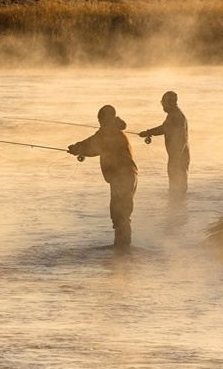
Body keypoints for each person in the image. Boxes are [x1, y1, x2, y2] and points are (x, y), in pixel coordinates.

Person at [68, 105, 138, 250]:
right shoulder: (111, 131)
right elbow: (94, 143)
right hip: (124, 176)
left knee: (121, 213)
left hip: (123, 177)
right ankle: (122, 247)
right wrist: (79, 148)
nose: (99, 122)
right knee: (119, 212)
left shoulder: (110, 133)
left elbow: (94, 145)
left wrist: (77, 148)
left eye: (101, 119)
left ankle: (122, 248)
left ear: (107, 118)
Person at [138, 91, 190, 200]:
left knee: (176, 182)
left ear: (171, 103)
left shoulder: (176, 116)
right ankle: (179, 205)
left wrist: (148, 132)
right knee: (179, 182)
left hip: (177, 154)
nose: (163, 106)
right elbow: (165, 129)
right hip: (179, 154)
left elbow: (163, 129)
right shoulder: (175, 115)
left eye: (164, 103)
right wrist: (149, 133)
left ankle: (176, 205)